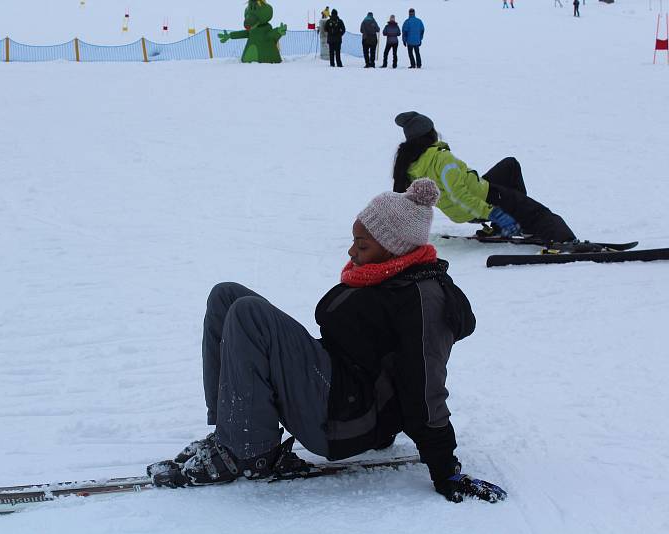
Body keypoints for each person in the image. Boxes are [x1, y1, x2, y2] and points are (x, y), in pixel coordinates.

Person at [147, 179, 506, 504]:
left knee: (249, 314)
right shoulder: (390, 274)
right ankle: (231, 430)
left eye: (361, 245)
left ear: (394, 247)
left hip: (347, 419)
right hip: (337, 386)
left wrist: (446, 470)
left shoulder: (425, 301)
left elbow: (425, 386)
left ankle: (246, 452)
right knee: (226, 297)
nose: (351, 252)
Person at [391, 111, 576, 243]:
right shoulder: (442, 159)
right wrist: (494, 213)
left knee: (509, 166)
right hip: (481, 199)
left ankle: (514, 222)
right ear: (430, 133)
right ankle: (565, 241)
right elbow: (459, 195)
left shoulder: (410, 165)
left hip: (463, 206)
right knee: (538, 213)